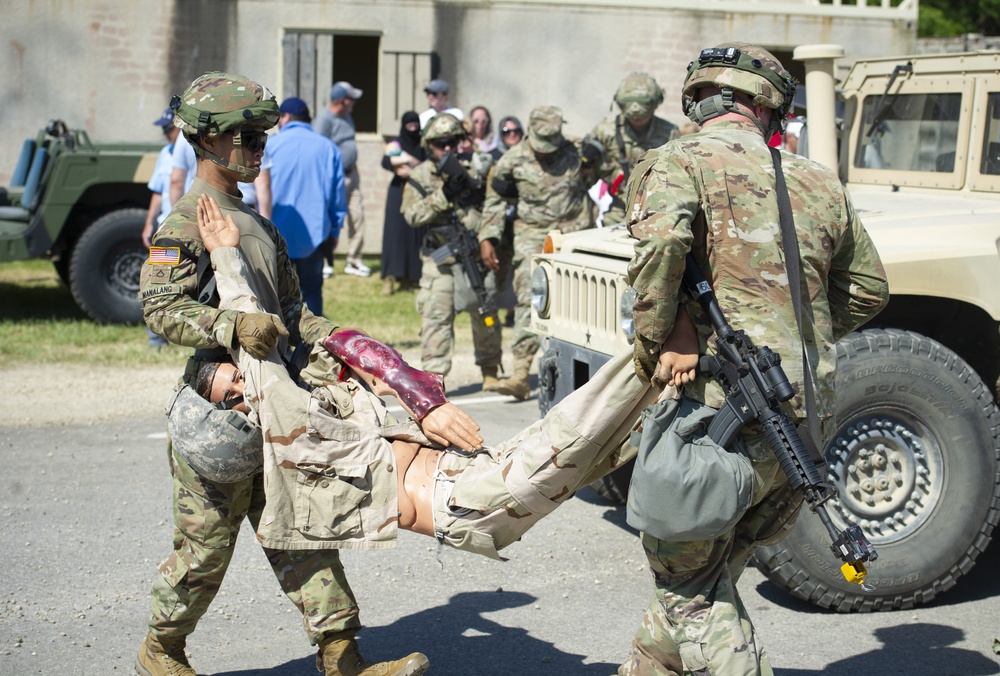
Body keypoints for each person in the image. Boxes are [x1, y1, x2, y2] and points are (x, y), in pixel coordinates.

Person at [192, 194, 700, 562]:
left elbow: (292, 345)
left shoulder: (297, 404)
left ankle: (689, 358)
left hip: (475, 474)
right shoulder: (282, 425)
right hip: (469, 501)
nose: (239, 387)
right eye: (230, 396)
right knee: (588, 417)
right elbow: (253, 344)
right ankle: (680, 326)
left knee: (617, 438)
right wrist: (226, 257)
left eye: (229, 378)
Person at [136, 72, 425, 676]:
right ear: (207, 141)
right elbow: (160, 307)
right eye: (246, 135)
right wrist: (229, 328)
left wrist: (353, 349)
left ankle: (342, 656)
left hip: (275, 411)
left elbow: (294, 315)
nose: (259, 147)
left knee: (303, 536)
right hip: (219, 419)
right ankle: (161, 651)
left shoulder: (260, 226)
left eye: (264, 135)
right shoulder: (186, 223)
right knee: (204, 554)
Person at [618, 43, 889, 675]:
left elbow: (661, 244)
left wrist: (658, 345)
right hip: (800, 420)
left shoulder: (674, 161)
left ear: (698, 100)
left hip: (714, 419)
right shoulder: (819, 180)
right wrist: (806, 337)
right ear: (770, 108)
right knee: (699, 581)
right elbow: (870, 289)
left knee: (688, 589)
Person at [479, 106, 596, 400]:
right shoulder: (512, 160)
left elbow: (609, 175)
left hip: (575, 232)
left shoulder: (579, 149)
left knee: (583, 301)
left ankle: (589, 375)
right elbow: (494, 201)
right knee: (531, 298)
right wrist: (488, 239)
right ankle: (520, 372)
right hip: (531, 235)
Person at [401, 113, 503, 392]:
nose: (446, 148)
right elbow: (411, 215)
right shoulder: (421, 175)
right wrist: (443, 195)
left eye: (452, 142)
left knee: (486, 312)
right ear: (428, 144)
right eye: (439, 143)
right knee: (437, 318)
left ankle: (490, 369)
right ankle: (434, 379)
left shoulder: (478, 169)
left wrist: (487, 239)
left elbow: (494, 207)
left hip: (475, 253)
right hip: (440, 259)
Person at [254, 97, 346, 317]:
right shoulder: (329, 148)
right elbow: (337, 196)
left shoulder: (269, 146)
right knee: (312, 291)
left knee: (274, 294)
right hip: (314, 235)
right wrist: (334, 231)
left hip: (274, 232)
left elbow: (258, 187)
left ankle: (277, 345)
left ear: (285, 117)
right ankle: (312, 345)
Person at [584, 72, 679, 227]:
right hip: (619, 209)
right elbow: (583, 182)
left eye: (642, 116)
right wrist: (585, 164)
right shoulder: (605, 132)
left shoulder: (668, 133)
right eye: (633, 118)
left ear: (654, 106)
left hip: (656, 209)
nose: (638, 120)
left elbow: (677, 177)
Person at [314, 81, 369, 277]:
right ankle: (324, 262)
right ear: (340, 100)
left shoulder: (347, 116)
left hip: (352, 174)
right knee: (329, 219)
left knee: (358, 216)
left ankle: (353, 261)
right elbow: (319, 150)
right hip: (333, 178)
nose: (354, 102)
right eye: (351, 98)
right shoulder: (324, 119)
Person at [142, 107, 181, 349]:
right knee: (158, 283)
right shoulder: (165, 154)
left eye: (169, 128)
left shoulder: (196, 152)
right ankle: (156, 340)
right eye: (164, 130)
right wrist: (149, 223)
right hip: (166, 232)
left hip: (194, 231)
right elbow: (158, 191)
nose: (166, 134)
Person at [380, 111, 426, 295]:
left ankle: (415, 278)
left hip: (417, 192)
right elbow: (385, 161)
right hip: (398, 192)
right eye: (409, 125)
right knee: (395, 233)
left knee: (416, 233)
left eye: (415, 125)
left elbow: (427, 165)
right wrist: (407, 159)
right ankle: (391, 276)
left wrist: (412, 170)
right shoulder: (397, 143)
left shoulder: (423, 143)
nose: (413, 128)